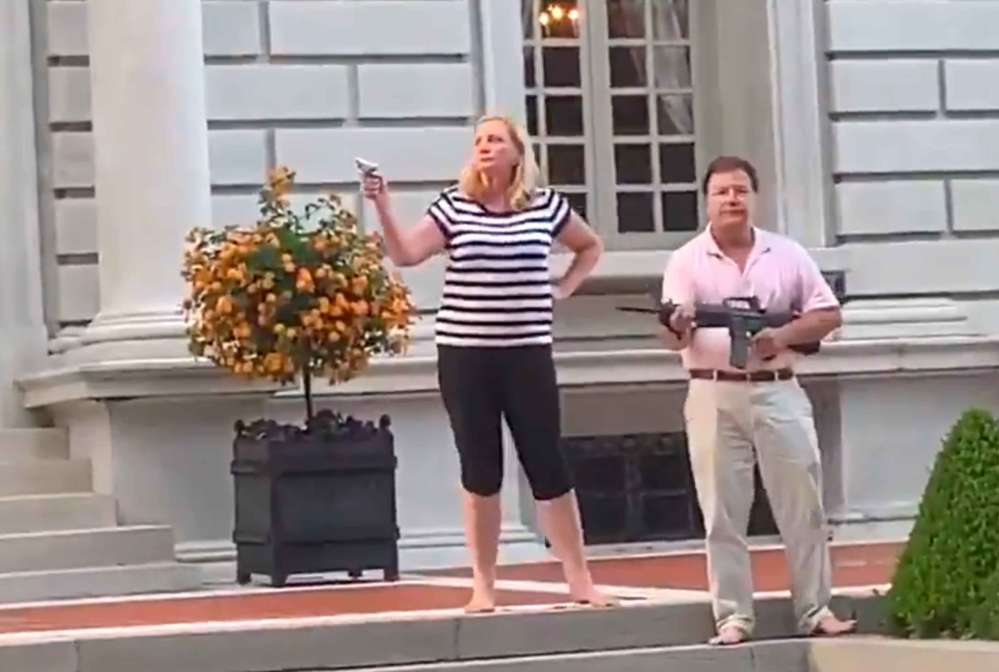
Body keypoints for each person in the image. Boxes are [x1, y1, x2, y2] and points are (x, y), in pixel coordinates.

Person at [361, 114, 615, 613]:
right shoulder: (455, 206)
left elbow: (589, 246)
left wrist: (563, 287)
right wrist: (382, 205)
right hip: (466, 355)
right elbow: (407, 254)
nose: (485, 148)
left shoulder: (545, 207)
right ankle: (484, 584)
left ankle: (579, 578)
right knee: (481, 469)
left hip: (527, 353)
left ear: (518, 154)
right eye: (479, 140)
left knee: (547, 464)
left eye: (495, 140)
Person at [659, 155, 855, 644]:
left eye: (741, 190)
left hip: (778, 389)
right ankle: (732, 616)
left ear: (754, 197)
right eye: (723, 191)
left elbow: (827, 314)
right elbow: (673, 337)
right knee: (722, 512)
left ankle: (815, 609)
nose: (732, 199)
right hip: (712, 391)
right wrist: (679, 323)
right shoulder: (685, 260)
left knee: (803, 505)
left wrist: (779, 335)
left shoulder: (786, 254)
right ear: (707, 199)